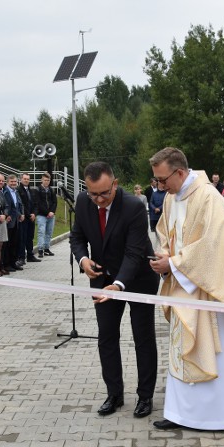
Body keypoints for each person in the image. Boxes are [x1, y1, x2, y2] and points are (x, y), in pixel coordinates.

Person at [148, 147, 224, 431]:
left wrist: (175, 263)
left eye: (163, 179)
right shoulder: (170, 199)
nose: (160, 185)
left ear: (180, 172)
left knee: (223, 353)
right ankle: (181, 412)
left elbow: (215, 246)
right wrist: (164, 258)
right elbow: (165, 233)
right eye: (157, 180)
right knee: (182, 348)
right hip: (183, 284)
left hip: (212, 290)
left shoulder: (209, 198)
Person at [69, 161, 159, 419]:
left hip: (138, 279)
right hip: (101, 277)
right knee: (106, 336)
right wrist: (83, 260)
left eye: (104, 193)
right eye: (92, 193)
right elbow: (77, 237)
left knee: (143, 337)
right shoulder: (84, 202)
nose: (98, 199)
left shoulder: (133, 207)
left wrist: (118, 285)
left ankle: (145, 396)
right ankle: (115, 393)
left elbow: (134, 254)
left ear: (115, 184)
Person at [17, 173, 41, 264]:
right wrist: (28, 214)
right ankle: (21, 257)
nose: (26, 180)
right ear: (21, 179)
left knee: (30, 237)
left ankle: (30, 255)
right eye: (25, 179)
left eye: (28, 179)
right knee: (22, 238)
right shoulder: (18, 190)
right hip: (24, 218)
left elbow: (35, 203)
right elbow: (21, 204)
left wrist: (34, 214)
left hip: (31, 218)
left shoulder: (32, 191)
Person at [33, 173, 56, 257]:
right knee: (41, 232)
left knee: (49, 232)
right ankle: (40, 249)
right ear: (42, 180)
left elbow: (54, 202)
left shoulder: (51, 190)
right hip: (41, 215)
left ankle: (47, 248)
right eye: (45, 180)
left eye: (48, 180)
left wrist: (52, 211)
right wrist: (47, 212)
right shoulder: (37, 190)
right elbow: (38, 203)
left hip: (51, 215)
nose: (47, 182)